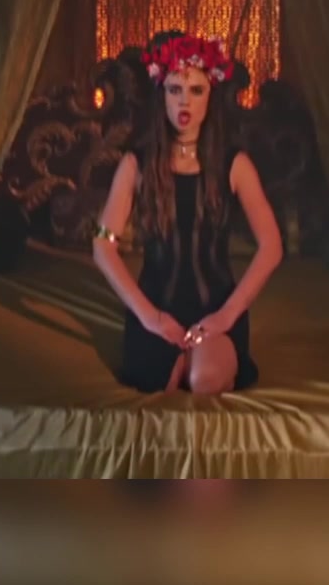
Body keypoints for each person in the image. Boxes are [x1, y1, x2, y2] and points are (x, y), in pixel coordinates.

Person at [91, 30, 284, 394]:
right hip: (155, 309)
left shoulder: (234, 164)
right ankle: (173, 357)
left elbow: (271, 247)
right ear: (161, 94)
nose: (184, 102)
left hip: (217, 309)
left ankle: (201, 359)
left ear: (211, 96)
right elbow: (103, 245)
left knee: (203, 379)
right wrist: (149, 316)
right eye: (174, 89)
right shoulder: (136, 164)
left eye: (196, 90)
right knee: (159, 381)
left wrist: (227, 315)